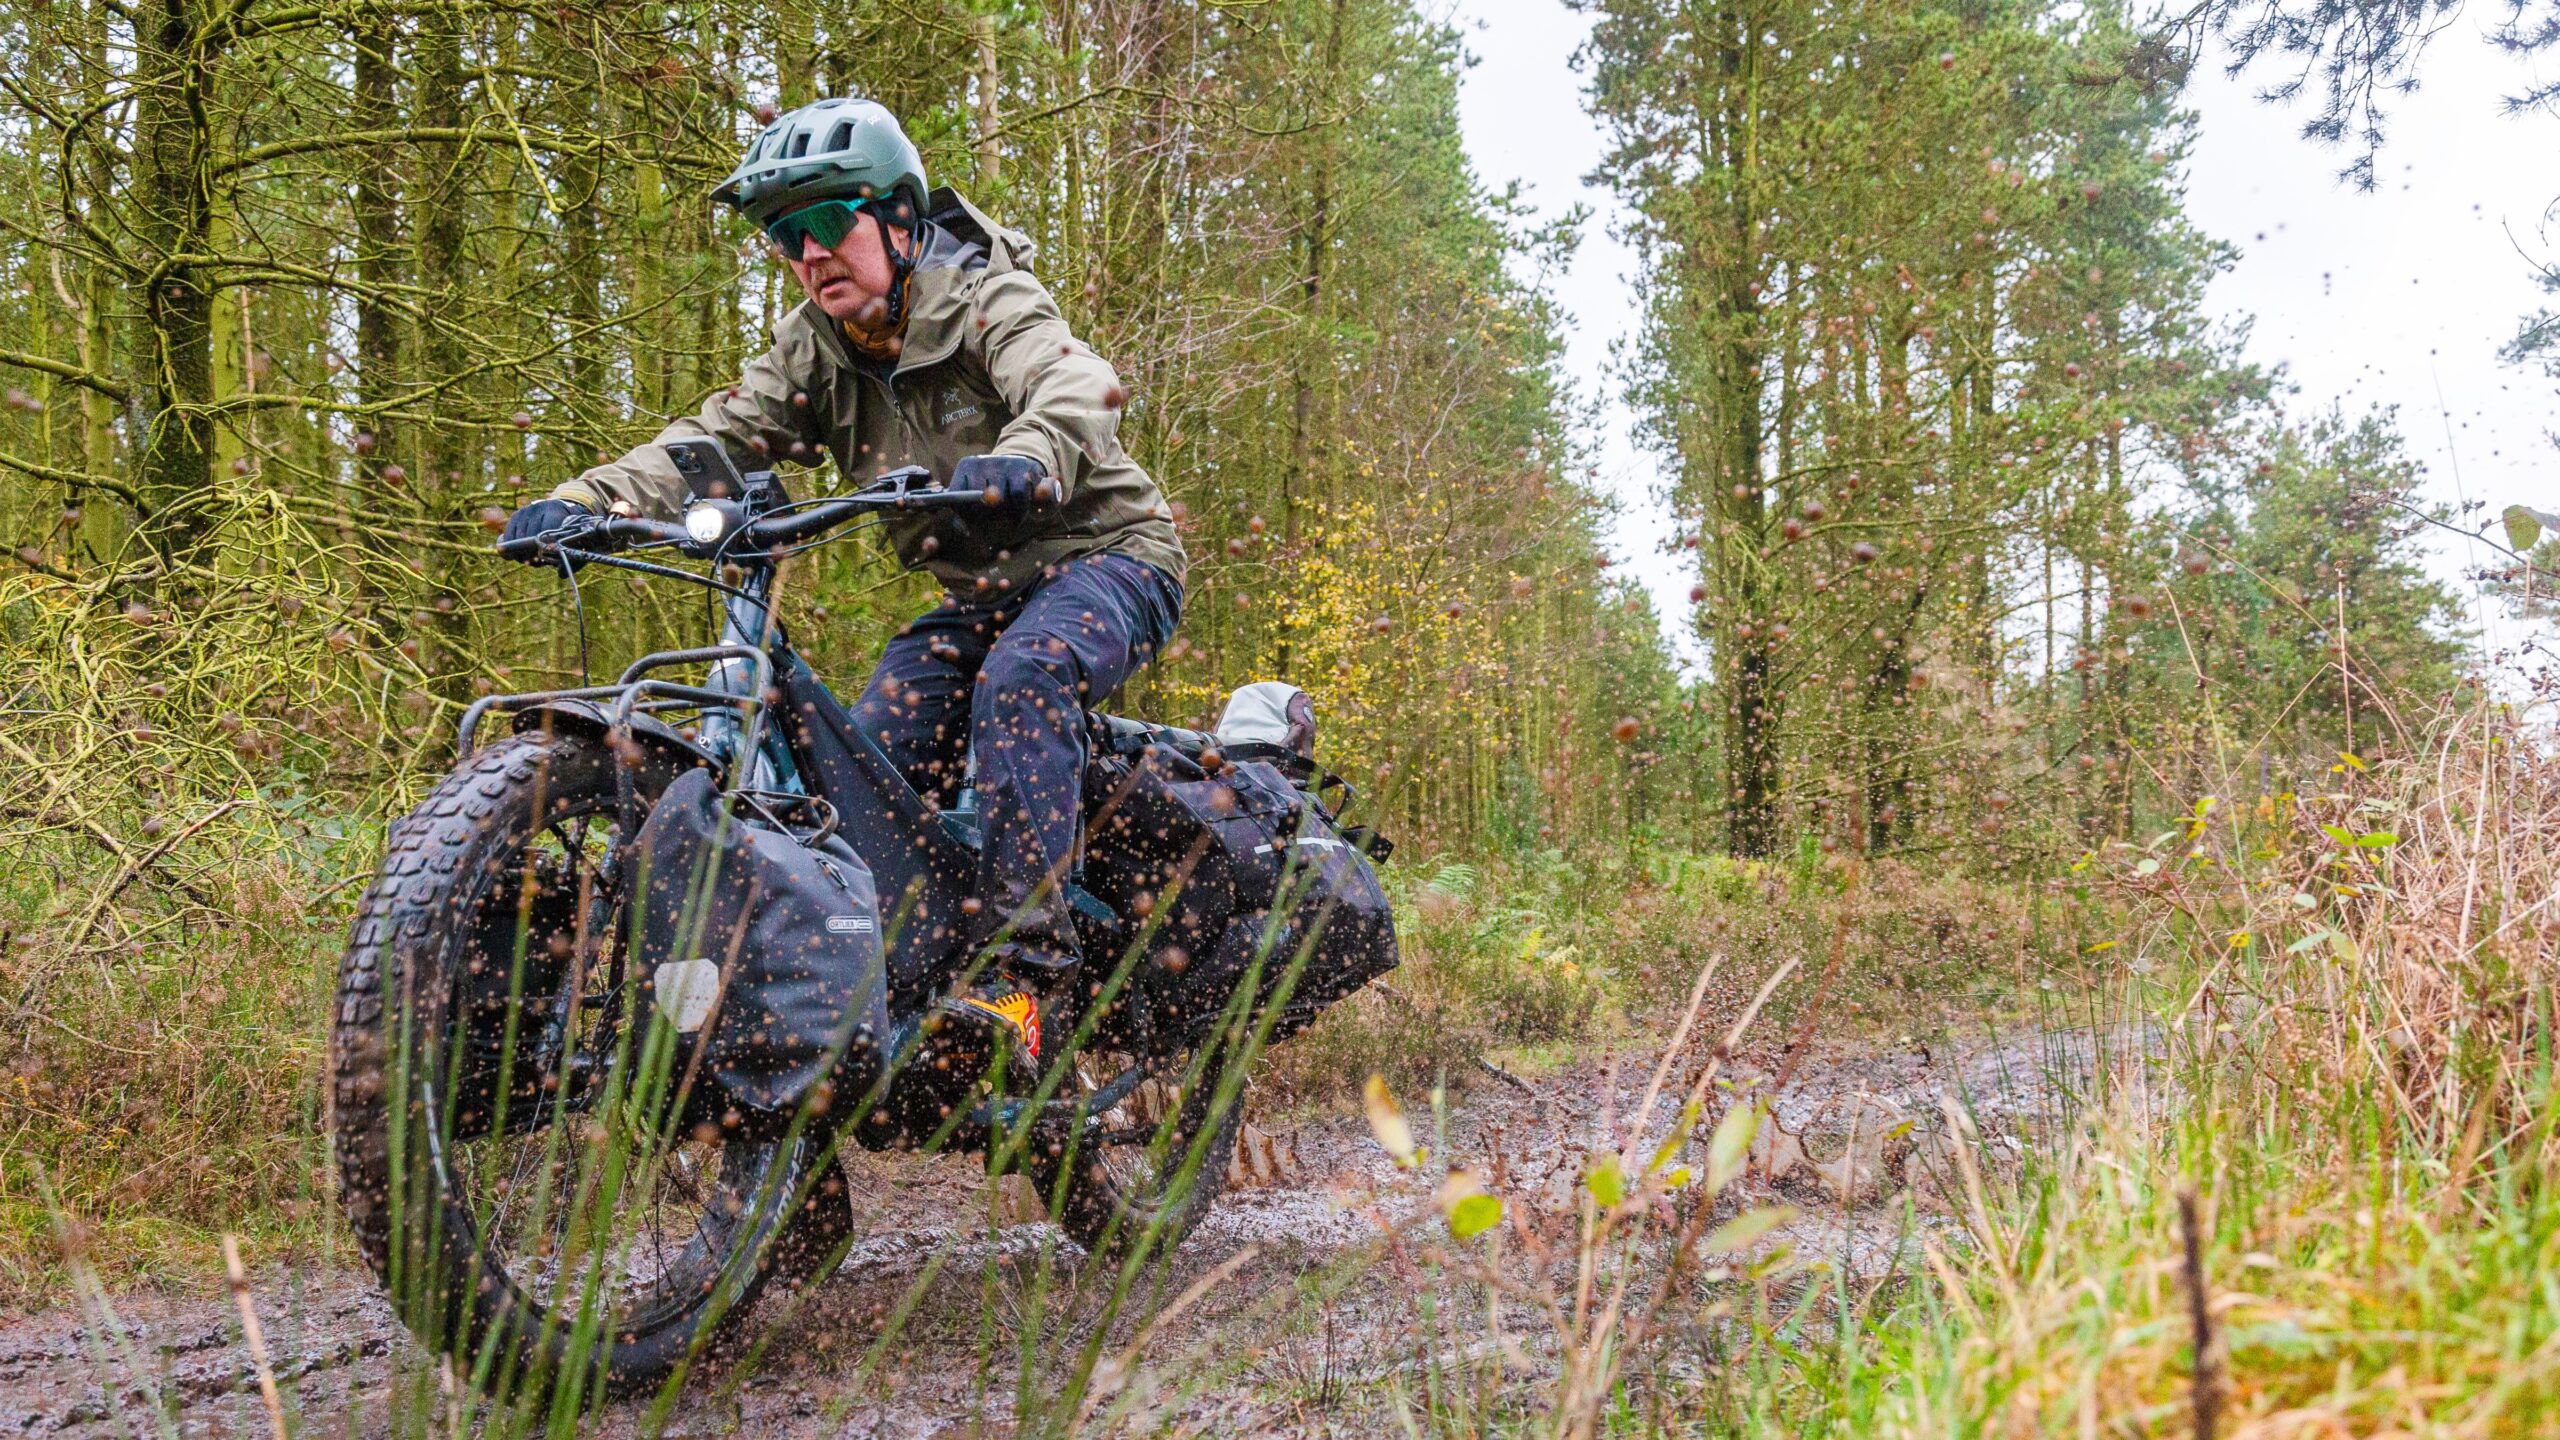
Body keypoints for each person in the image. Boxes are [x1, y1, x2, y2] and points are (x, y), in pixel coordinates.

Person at [496, 95, 1185, 1060]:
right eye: (786, 236)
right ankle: (905, 984)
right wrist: (589, 499)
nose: (809, 253)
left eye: (828, 222)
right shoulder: (815, 349)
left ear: (899, 219)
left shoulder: (988, 296)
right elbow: (718, 437)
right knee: (872, 766)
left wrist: (1025, 457)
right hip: (982, 598)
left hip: (1110, 559)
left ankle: (1028, 984)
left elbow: (1075, 383)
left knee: (1022, 680)